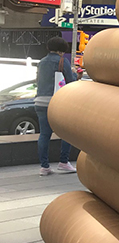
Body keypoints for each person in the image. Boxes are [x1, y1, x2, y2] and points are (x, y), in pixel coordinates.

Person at [35, 37, 78, 176]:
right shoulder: (62, 61)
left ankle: (44, 167)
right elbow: (71, 80)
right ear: (62, 50)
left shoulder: (41, 62)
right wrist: (76, 74)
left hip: (40, 101)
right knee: (66, 132)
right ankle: (64, 162)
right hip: (56, 102)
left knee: (44, 134)